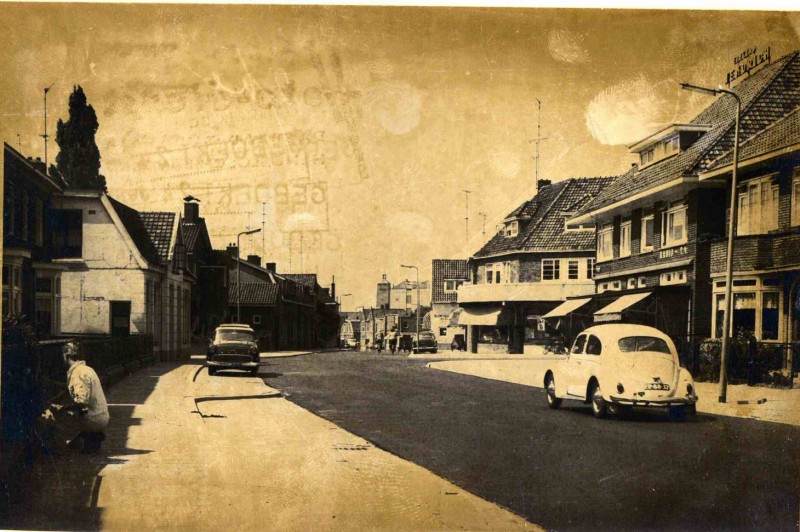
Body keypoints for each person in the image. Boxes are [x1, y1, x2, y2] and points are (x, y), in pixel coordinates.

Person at [41, 342, 110, 454]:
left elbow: (82, 402)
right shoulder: (86, 369)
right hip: (101, 416)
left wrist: (61, 408)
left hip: (93, 419)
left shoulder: (77, 372)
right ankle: (91, 436)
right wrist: (54, 383)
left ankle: (61, 448)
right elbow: (74, 387)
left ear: (65, 356)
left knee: (49, 416)